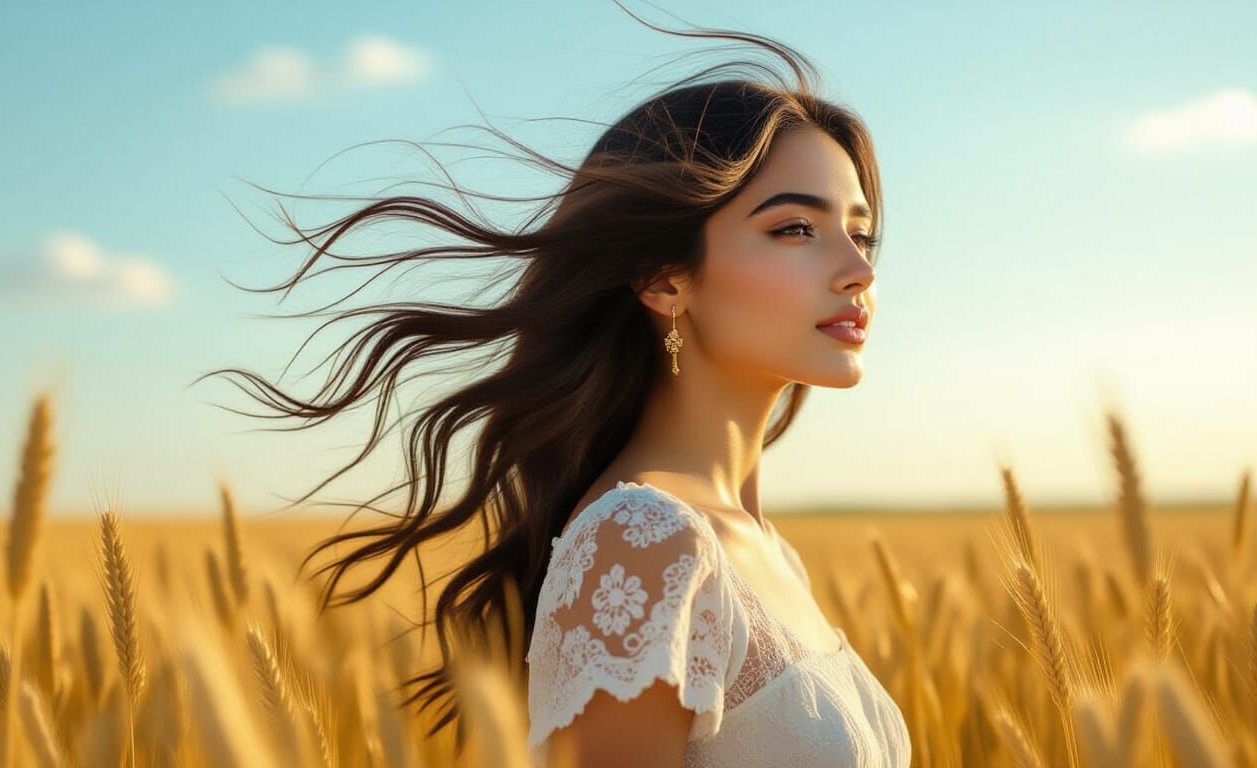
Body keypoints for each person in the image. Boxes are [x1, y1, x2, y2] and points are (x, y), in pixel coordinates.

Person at [198, 4, 912, 766]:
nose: (859, 270)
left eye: (860, 232)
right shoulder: (641, 543)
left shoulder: (760, 549)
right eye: (795, 229)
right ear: (663, 277)